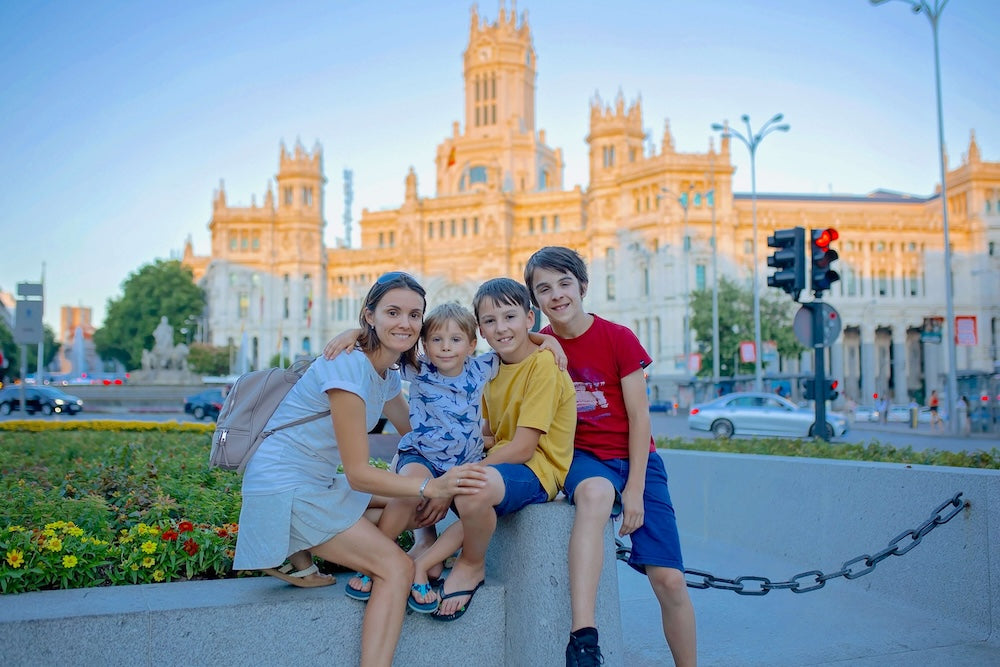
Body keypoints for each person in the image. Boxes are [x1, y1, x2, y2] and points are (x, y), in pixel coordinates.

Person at [232, 272, 488, 667]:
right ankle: (293, 540)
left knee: (409, 504)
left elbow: (417, 433)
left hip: (315, 482)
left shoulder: (384, 374)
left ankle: (296, 547)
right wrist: (431, 488)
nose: (405, 322)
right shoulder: (348, 368)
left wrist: (471, 455)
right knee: (397, 567)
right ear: (369, 316)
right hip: (287, 488)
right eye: (392, 312)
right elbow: (358, 473)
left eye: (414, 315)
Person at [322, 301, 566, 612]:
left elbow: (514, 339)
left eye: (455, 340)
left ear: (472, 344)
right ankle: (378, 556)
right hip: (422, 454)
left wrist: (548, 339)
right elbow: (384, 344)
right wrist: (355, 332)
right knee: (408, 491)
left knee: (475, 509)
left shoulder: (483, 367)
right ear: (424, 344)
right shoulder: (419, 368)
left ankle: (429, 558)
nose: (446, 348)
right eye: (436, 340)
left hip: (462, 462)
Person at [523, 246, 696, 667]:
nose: (557, 295)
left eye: (565, 283)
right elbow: (484, 344)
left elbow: (640, 418)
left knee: (670, 581)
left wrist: (635, 489)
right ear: (534, 301)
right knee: (596, 495)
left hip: (638, 461)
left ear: (582, 286)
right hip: (584, 458)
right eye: (544, 289)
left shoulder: (618, 337)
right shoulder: (535, 347)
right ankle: (583, 638)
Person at [424, 277, 576, 622]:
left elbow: (523, 447)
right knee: (428, 472)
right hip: (504, 464)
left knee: (470, 490)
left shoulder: (544, 365)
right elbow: (491, 435)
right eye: (490, 321)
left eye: (510, 317)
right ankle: (421, 561)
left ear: (529, 318)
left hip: (540, 469)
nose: (501, 328)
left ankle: (471, 563)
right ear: (480, 329)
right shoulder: (490, 369)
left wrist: (460, 476)